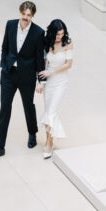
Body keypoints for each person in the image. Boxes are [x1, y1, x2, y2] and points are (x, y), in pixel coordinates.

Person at [0, 1, 44, 161]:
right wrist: (2, 64)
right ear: (20, 13)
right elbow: (4, 47)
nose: (26, 18)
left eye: (29, 15)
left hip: (26, 76)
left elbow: (40, 59)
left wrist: (40, 80)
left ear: (32, 16)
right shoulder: (10, 25)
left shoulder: (38, 33)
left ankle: (32, 132)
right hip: (8, 73)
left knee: (28, 105)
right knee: (4, 107)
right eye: (23, 14)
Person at [36, 19, 73, 159]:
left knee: (51, 112)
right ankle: (48, 139)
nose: (60, 37)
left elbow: (69, 64)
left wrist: (51, 72)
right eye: (58, 34)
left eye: (62, 33)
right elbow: (43, 64)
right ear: (52, 33)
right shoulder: (47, 43)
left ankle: (49, 143)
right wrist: (40, 82)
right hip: (49, 83)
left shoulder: (68, 42)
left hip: (61, 81)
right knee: (48, 111)